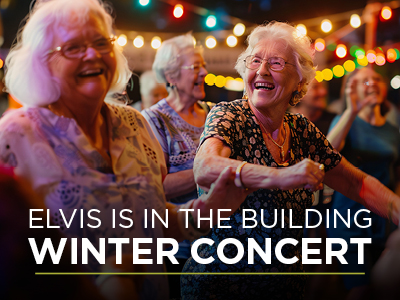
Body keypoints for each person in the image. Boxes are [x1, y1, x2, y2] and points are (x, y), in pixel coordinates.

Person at [1, 0, 249, 299]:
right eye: (73, 47)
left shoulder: (134, 124)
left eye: (100, 42)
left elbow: (153, 220)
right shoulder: (15, 136)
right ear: (42, 62)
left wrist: (207, 212)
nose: (92, 54)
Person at [180, 21, 400, 300]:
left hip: (285, 286)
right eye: (255, 60)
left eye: (275, 63)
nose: (261, 70)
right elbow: (204, 168)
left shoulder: (301, 129)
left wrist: (396, 210)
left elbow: (354, 182)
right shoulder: (229, 115)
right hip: (221, 285)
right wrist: (281, 175)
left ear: (299, 79)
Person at [141, 32, 213, 299]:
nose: (204, 72)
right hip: (178, 249)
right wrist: (212, 169)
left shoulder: (215, 114)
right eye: (195, 67)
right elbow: (156, 188)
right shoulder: (152, 120)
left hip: (221, 246)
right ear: (171, 76)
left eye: (203, 65)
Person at [326, 67, 400, 300]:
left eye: (376, 78)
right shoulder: (344, 120)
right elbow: (326, 153)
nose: (372, 83)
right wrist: (351, 111)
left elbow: (395, 174)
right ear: (352, 89)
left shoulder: (392, 130)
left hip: (382, 218)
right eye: (363, 80)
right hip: (348, 215)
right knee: (360, 286)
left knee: (381, 287)